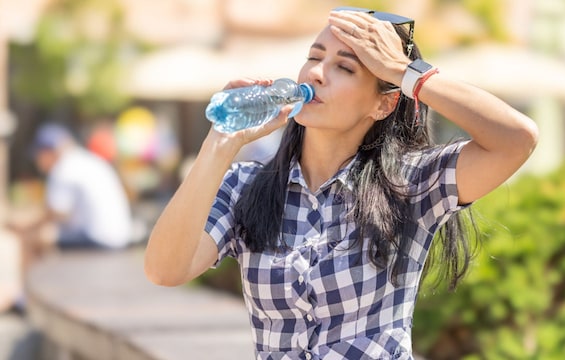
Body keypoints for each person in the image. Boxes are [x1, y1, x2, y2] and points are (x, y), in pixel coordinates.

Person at [144, 7, 538, 359]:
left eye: (344, 68)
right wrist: (220, 143)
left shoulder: (411, 183)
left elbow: (517, 139)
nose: (316, 73)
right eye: (314, 58)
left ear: (383, 103)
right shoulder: (248, 187)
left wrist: (405, 74)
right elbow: (165, 270)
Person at [13, 123, 133, 253]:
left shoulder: (64, 168)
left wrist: (26, 227)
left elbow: (57, 212)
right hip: (118, 237)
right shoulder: (84, 159)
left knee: (36, 238)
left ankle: (31, 274)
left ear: (48, 152)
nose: (37, 161)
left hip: (98, 239)